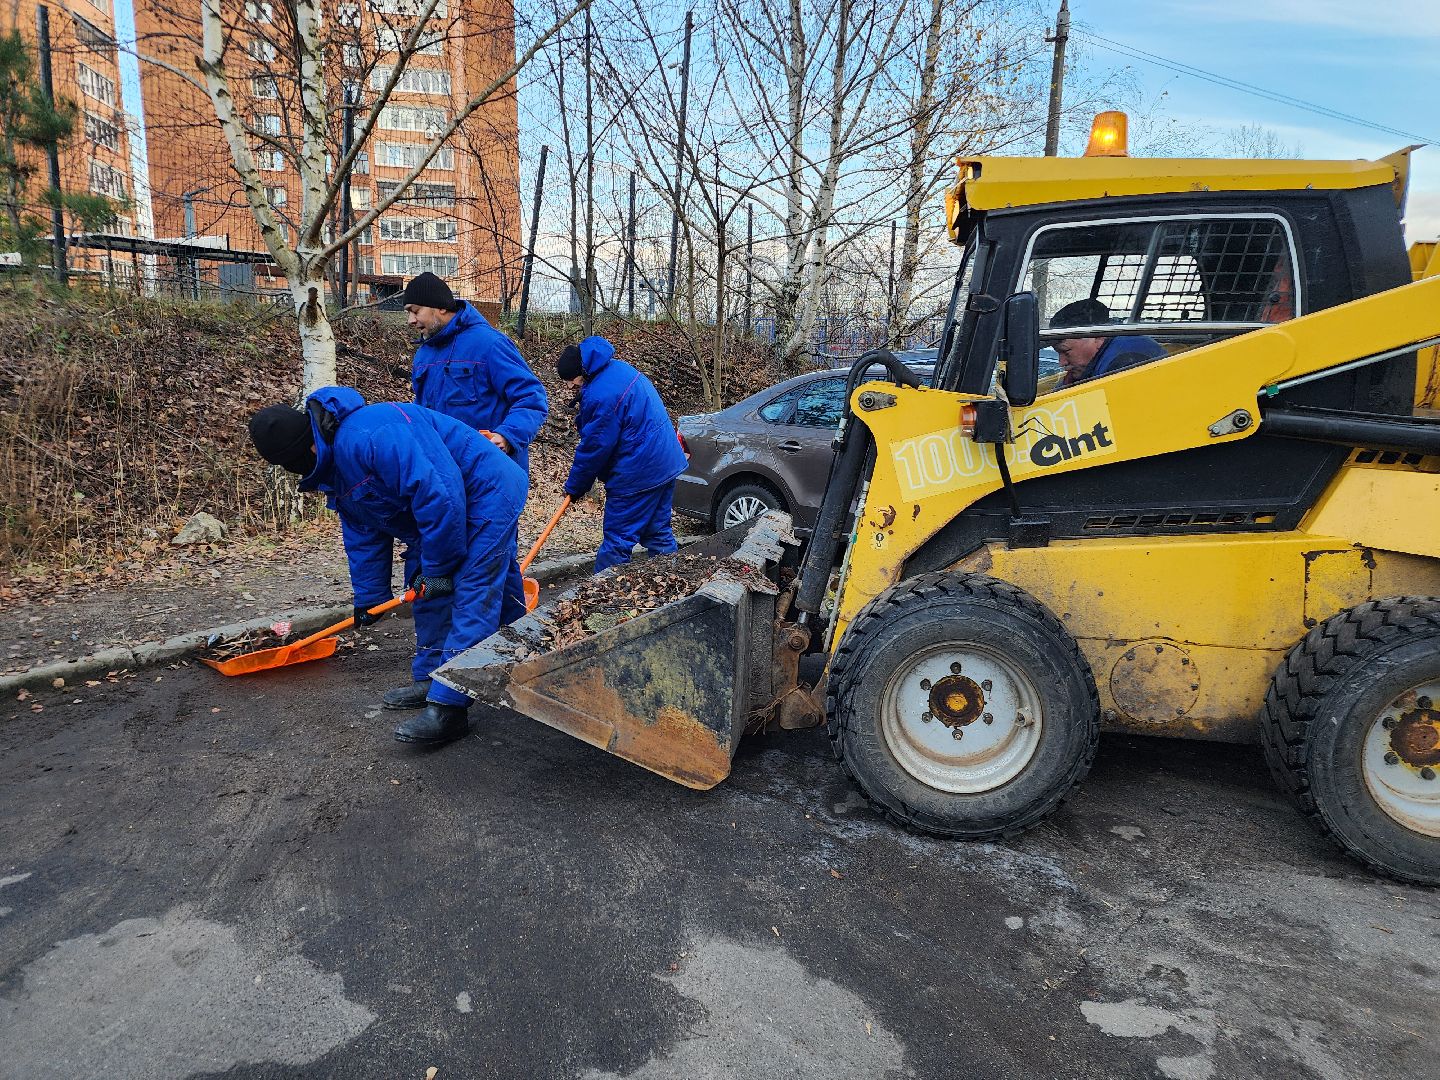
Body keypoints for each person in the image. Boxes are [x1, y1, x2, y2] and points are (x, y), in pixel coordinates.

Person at [248, 386, 528, 747]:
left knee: (473, 589)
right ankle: (439, 675)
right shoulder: (334, 465)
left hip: (488, 492)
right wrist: (370, 597)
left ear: (307, 446)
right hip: (442, 510)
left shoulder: (373, 434)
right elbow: (364, 530)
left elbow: (439, 495)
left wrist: (440, 569)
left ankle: (451, 706)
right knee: (425, 587)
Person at [559, 336, 689, 574]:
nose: (569, 387)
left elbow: (595, 445)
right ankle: (673, 583)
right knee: (658, 532)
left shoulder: (601, 394)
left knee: (617, 540)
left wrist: (576, 486)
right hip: (665, 463)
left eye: (571, 381)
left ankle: (601, 600)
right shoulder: (617, 369)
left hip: (638, 473)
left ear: (583, 371)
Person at [401, 271, 549, 473]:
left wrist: (506, 436)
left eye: (415, 311)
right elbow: (422, 408)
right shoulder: (423, 355)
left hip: (490, 472)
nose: (410, 319)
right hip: (442, 472)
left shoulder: (489, 344)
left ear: (441, 307)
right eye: (407, 312)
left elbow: (531, 397)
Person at [1050, 298, 1166, 388]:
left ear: (1098, 337)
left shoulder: (1126, 363)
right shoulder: (1099, 360)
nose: (1062, 362)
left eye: (1066, 351)